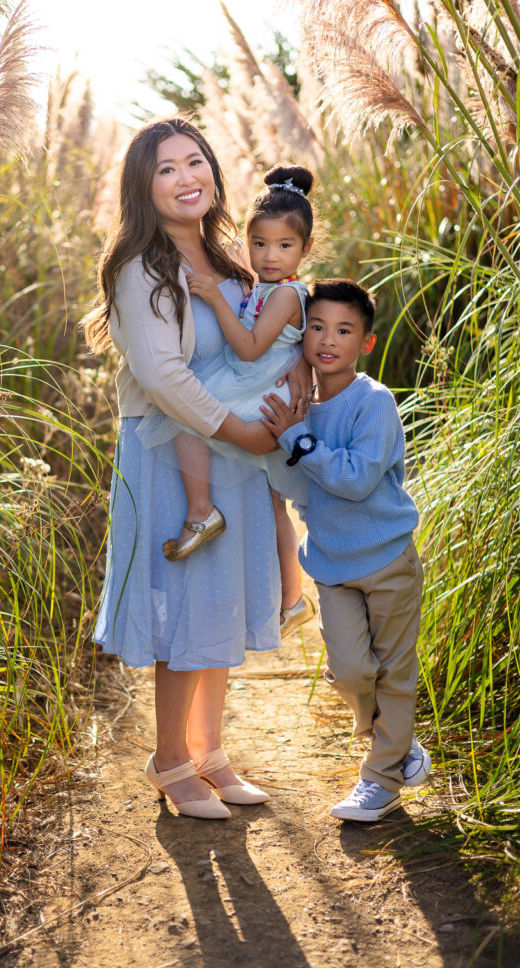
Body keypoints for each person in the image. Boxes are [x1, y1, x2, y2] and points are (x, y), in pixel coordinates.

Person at [82, 117, 312, 820]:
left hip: (233, 454)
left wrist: (297, 381)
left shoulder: (234, 263)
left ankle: (209, 753)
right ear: (143, 189)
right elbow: (161, 375)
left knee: (218, 602)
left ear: (213, 171)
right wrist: (240, 429)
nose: (186, 179)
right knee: (182, 603)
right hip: (171, 449)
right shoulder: (138, 267)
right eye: (165, 169)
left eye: (194, 163)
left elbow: (268, 344)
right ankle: (169, 760)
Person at [261, 278, 431, 822]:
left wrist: (298, 440)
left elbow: (356, 480)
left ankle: (379, 779)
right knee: (352, 670)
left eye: (343, 330)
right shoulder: (299, 407)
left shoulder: (372, 403)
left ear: (366, 344)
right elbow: (291, 483)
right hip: (332, 566)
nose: (327, 339)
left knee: (394, 672)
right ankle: (397, 743)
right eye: (316, 327)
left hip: (387, 561)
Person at [144, 163, 317, 637]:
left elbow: (248, 347)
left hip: (254, 385)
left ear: (306, 249)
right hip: (255, 380)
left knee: (184, 409)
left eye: (285, 246)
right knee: (271, 500)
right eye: (259, 243)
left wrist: (215, 298)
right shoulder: (265, 285)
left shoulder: (285, 295)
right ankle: (293, 599)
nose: (269, 255)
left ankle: (202, 512)